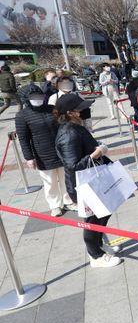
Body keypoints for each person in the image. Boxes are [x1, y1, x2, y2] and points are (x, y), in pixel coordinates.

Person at [54, 94, 122, 267]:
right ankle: (96, 256)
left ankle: (99, 244)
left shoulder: (76, 126)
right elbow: (73, 165)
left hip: (94, 179)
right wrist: (98, 152)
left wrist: (95, 146)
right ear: (71, 112)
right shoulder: (68, 133)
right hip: (83, 185)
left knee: (104, 213)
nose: (85, 110)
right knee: (92, 221)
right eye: (81, 108)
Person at [15, 85, 75, 217]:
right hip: (43, 153)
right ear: (26, 98)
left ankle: (68, 200)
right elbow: (23, 138)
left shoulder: (51, 109)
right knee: (49, 180)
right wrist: (29, 158)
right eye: (33, 97)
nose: (37, 99)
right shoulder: (22, 115)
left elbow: (63, 125)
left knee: (66, 177)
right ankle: (54, 205)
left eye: (39, 96)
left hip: (61, 149)